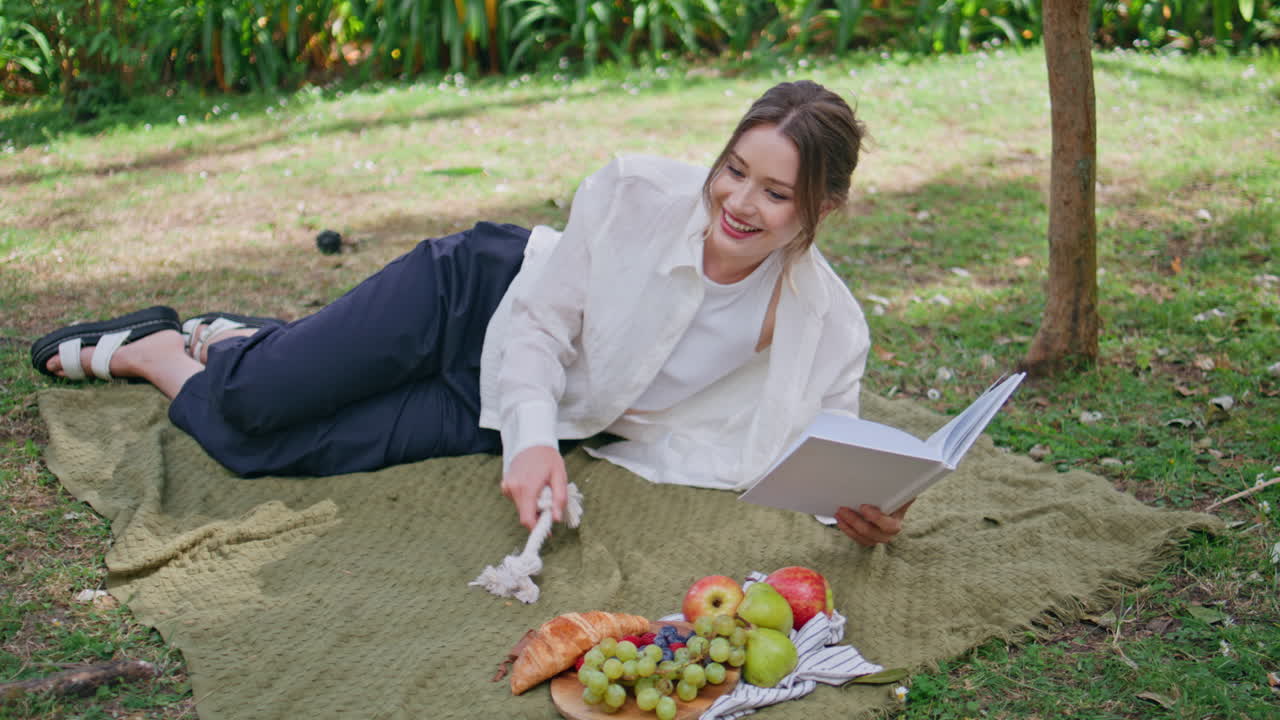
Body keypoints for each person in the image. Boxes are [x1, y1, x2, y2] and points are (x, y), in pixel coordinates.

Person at [31, 80, 911, 548]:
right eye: (734, 170)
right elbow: (539, 324)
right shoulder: (637, 193)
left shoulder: (826, 324)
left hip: (532, 406)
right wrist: (530, 440)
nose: (739, 203)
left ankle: (179, 350)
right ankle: (192, 348)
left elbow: (825, 449)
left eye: (777, 194)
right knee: (257, 398)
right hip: (474, 301)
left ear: (825, 209)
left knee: (259, 447)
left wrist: (854, 513)